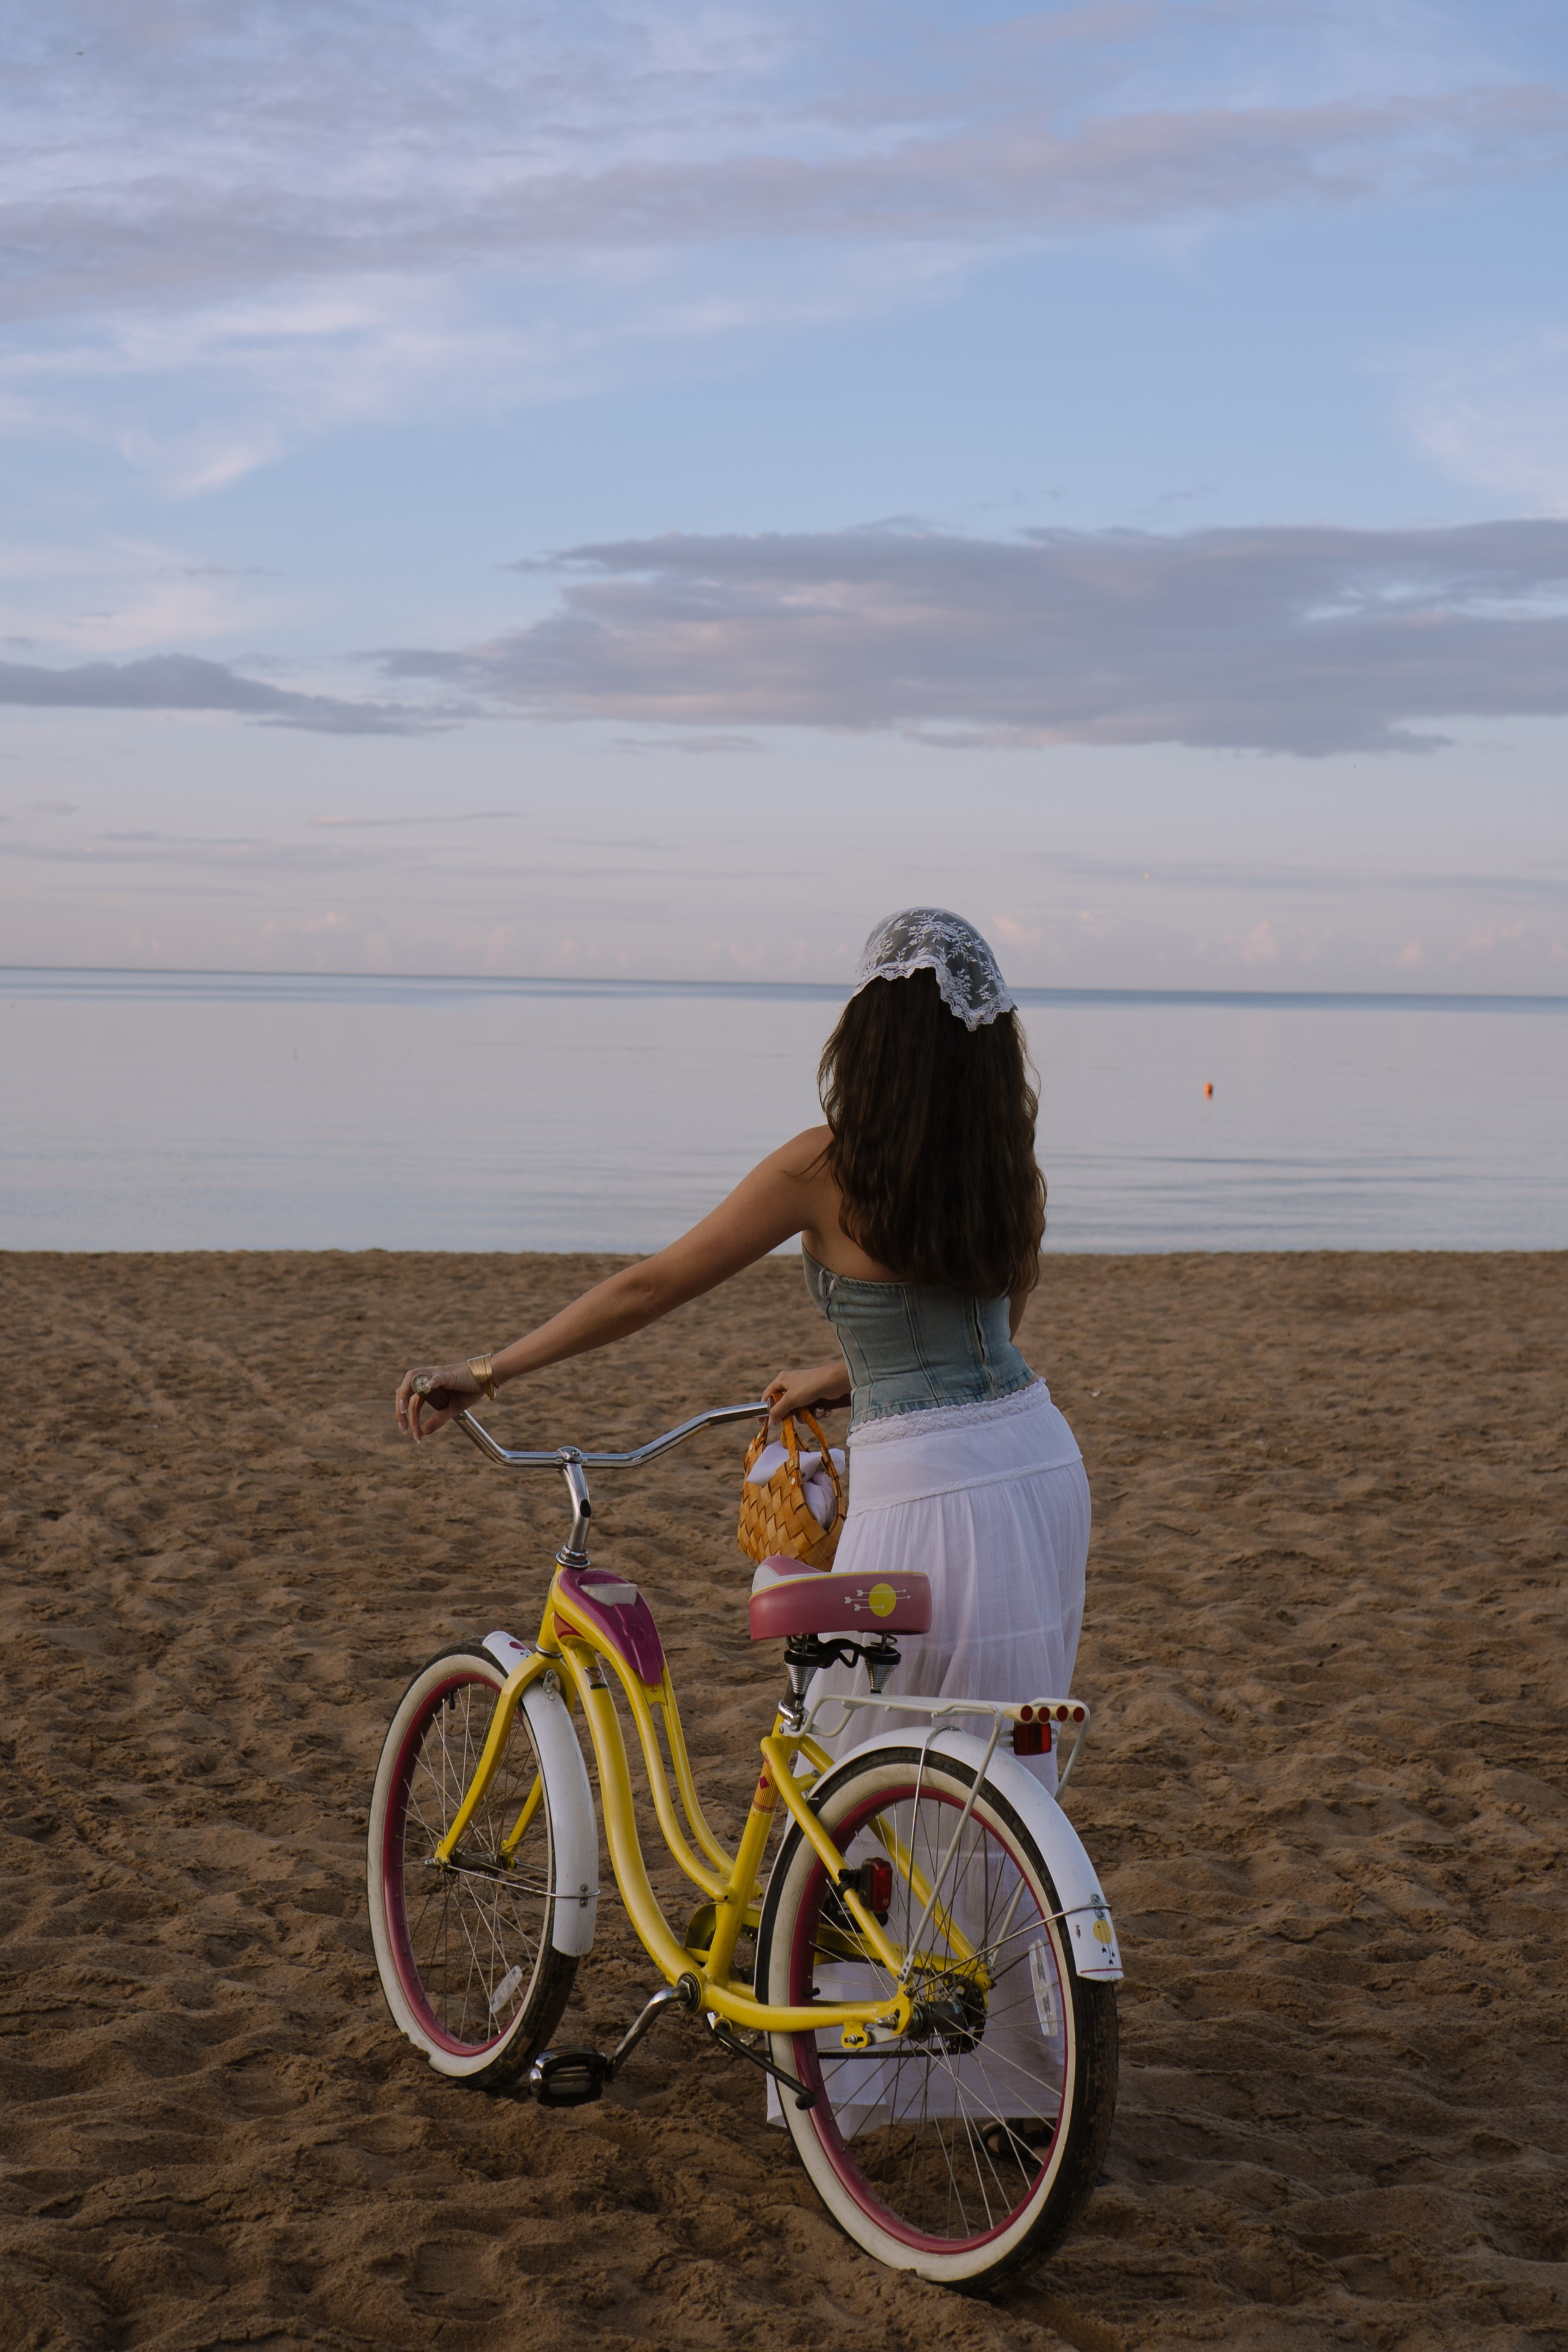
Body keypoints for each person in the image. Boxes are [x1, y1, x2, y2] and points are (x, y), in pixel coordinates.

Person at [395, 908, 1088, 1781]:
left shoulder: (828, 1169)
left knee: (861, 1771)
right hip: (1039, 1459)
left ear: (868, 1037)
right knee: (987, 1761)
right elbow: (1000, 1313)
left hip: (928, 1491)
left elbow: (650, 1287)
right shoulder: (1005, 1159)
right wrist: (849, 1372)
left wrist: (488, 1371)